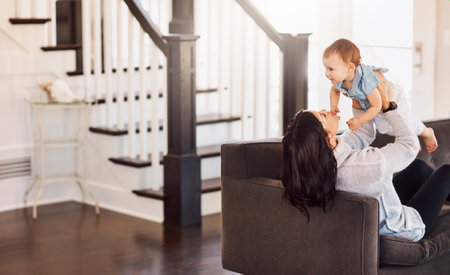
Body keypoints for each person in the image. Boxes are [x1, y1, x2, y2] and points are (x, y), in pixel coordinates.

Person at [281, 72, 450, 241]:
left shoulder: (326, 159)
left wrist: (358, 100)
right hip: (403, 228)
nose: (326, 110)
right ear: (326, 138)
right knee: (446, 172)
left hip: (384, 211)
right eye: (323, 115)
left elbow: (362, 135)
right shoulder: (363, 166)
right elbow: (409, 145)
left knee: (419, 168)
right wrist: (387, 105)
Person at [322, 38, 438, 152]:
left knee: (404, 122)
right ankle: (410, 137)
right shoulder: (339, 79)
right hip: (373, 103)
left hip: (392, 97)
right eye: (326, 68)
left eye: (331, 69)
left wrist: (360, 121)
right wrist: (334, 105)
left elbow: (376, 106)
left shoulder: (365, 81)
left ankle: (425, 133)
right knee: (383, 128)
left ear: (350, 67)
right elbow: (334, 91)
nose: (327, 73)